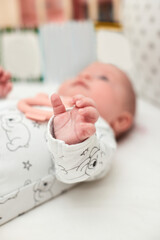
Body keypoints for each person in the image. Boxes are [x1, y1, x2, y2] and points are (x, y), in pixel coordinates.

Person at [0, 62, 136, 184]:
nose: (85, 75)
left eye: (103, 78)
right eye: (79, 73)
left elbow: (87, 167)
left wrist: (75, 142)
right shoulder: (41, 99)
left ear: (120, 121)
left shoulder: (96, 129)